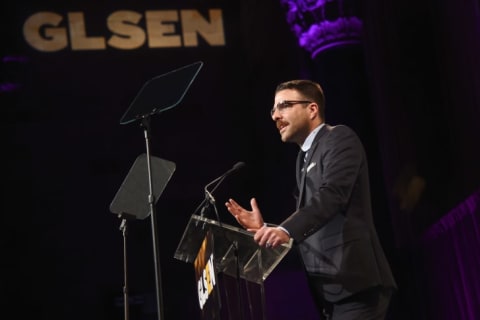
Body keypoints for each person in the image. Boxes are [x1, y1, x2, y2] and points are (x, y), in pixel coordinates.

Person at [225, 79, 397, 319]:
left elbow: (332, 195)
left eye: (284, 105)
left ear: (312, 109)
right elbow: (310, 224)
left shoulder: (339, 138)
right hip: (329, 292)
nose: (275, 115)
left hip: (355, 283)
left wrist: (285, 229)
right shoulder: (302, 159)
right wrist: (266, 229)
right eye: (273, 109)